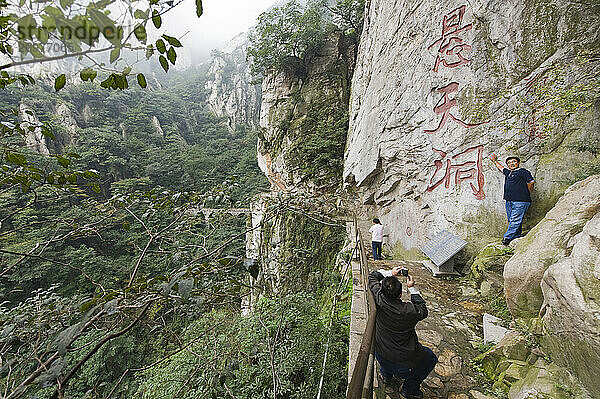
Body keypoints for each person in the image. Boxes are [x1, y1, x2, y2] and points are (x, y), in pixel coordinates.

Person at [368, 266, 438, 399]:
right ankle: (409, 390)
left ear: (381, 289)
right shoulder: (409, 311)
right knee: (430, 358)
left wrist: (390, 273)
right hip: (405, 366)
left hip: (381, 355)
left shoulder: (379, 297)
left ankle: (386, 375)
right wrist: (411, 287)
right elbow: (423, 309)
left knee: (388, 349)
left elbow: (372, 277)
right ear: (400, 294)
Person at [489, 154, 535, 245]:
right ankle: (516, 237)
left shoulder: (523, 171)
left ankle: (507, 238)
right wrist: (494, 161)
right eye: (509, 163)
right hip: (509, 200)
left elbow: (531, 182)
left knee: (515, 219)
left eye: (514, 161)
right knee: (512, 220)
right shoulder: (509, 172)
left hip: (520, 201)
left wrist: (527, 193)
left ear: (518, 163)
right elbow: (501, 168)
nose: (512, 164)